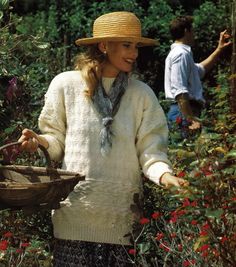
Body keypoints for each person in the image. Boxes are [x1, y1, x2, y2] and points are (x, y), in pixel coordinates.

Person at [18, 11, 188, 267]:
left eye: (136, 46)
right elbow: (56, 141)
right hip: (74, 214)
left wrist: (165, 175)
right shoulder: (65, 85)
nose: (135, 53)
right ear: (103, 45)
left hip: (121, 217)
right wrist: (38, 141)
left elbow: (151, 151)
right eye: (127, 45)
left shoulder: (141, 94)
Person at [164, 16, 231, 134]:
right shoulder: (181, 54)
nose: (194, 34)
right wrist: (190, 119)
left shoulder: (182, 53)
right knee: (185, 150)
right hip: (184, 111)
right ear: (186, 31)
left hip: (184, 110)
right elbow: (180, 91)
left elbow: (200, 70)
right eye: (193, 30)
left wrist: (219, 49)